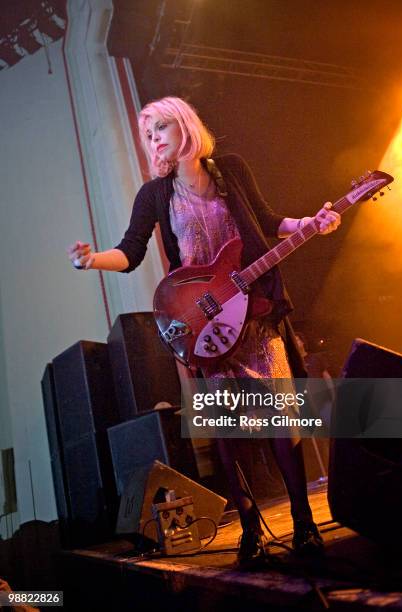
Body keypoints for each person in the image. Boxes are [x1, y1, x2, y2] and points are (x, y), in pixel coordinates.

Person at [67, 96, 341, 567]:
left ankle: (304, 523)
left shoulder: (230, 170)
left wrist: (310, 223)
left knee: (281, 418)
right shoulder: (155, 194)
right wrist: (93, 260)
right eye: (147, 133)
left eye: (160, 127)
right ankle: (250, 528)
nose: (153, 139)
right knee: (228, 428)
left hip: (252, 313)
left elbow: (268, 220)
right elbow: (130, 252)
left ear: (185, 126)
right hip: (203, 326)